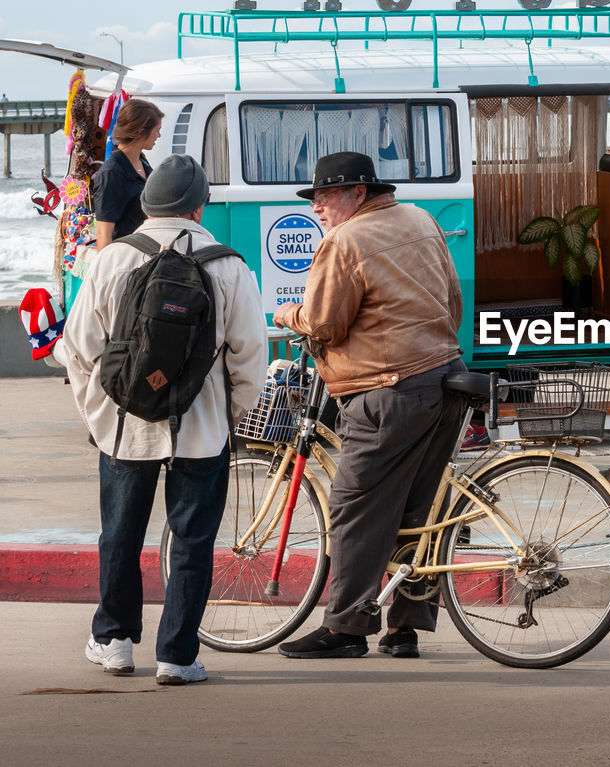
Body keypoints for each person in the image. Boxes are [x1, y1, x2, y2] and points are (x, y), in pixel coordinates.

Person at [63, 155, 266, 685]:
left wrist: (100, 413)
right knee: (193, 540)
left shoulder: (111, 260)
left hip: (125, 427)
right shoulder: (229, 265)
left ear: (146, 204)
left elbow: (79, 348)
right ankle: (177, 655)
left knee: (121, 535)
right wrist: (226, 416)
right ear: (200, 205)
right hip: (201, 431)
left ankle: (114, 643)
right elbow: (248, 358)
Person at [273, 151, 467, 660]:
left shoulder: (345, 240)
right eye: (314, 198)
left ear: (357, 194)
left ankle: (345, 629)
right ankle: (403, 629)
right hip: (446, 375)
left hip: (388, 389)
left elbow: (325, 323)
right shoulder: (420, 220)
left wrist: (286, 313)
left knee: (356, 508)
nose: (317, 207)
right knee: (417, 509)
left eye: (324, 196)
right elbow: (454, 302)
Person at [93, 99, 163, 248]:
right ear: (140, 130)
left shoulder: (142, 162)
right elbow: (104, 235)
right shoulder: (112, 173)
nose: (159, 135)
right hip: (124, 259)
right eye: (157, 130)